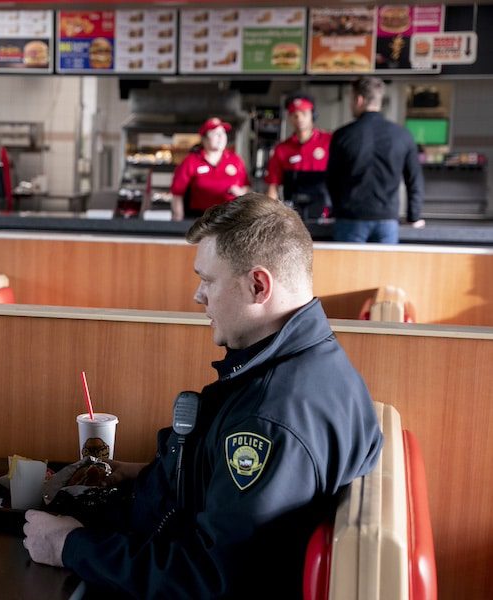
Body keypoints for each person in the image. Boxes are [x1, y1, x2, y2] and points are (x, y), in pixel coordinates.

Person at [23, 193, 383, 597]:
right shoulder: (310, 365)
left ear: (258, 285)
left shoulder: (268, 420)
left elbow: (210, 582)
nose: (199, 295)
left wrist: (70, 546)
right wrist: (141, 473)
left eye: (208, 280)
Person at [327, 76, 426, 243]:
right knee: (384, 269)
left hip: (351, 219)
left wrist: (338, 210)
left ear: (359, 100)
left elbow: (332, 179)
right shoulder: (403, 135)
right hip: (387, 220)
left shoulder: (342, 135)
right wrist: (413, 217)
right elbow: (414, 180)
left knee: (348, 269)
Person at [265, 93, 332, 216]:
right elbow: (273, 186)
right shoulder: (281, 149)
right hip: (293, 214)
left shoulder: (329, 142)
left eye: (304, 113)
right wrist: (269, 215)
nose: (299, 118)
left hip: (325, 212)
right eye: (294, 115)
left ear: (313, 115)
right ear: (290, 118)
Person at [170, 117, 249, 221]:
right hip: (200, 218)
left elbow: (247, 187)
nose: (221, 137)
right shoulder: (191, 161)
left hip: (231, 217)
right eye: (215, 134)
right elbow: (177, 193)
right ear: (204, 139)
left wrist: (240, 192)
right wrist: (178, 219)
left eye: (223, 133)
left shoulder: (236, 160)